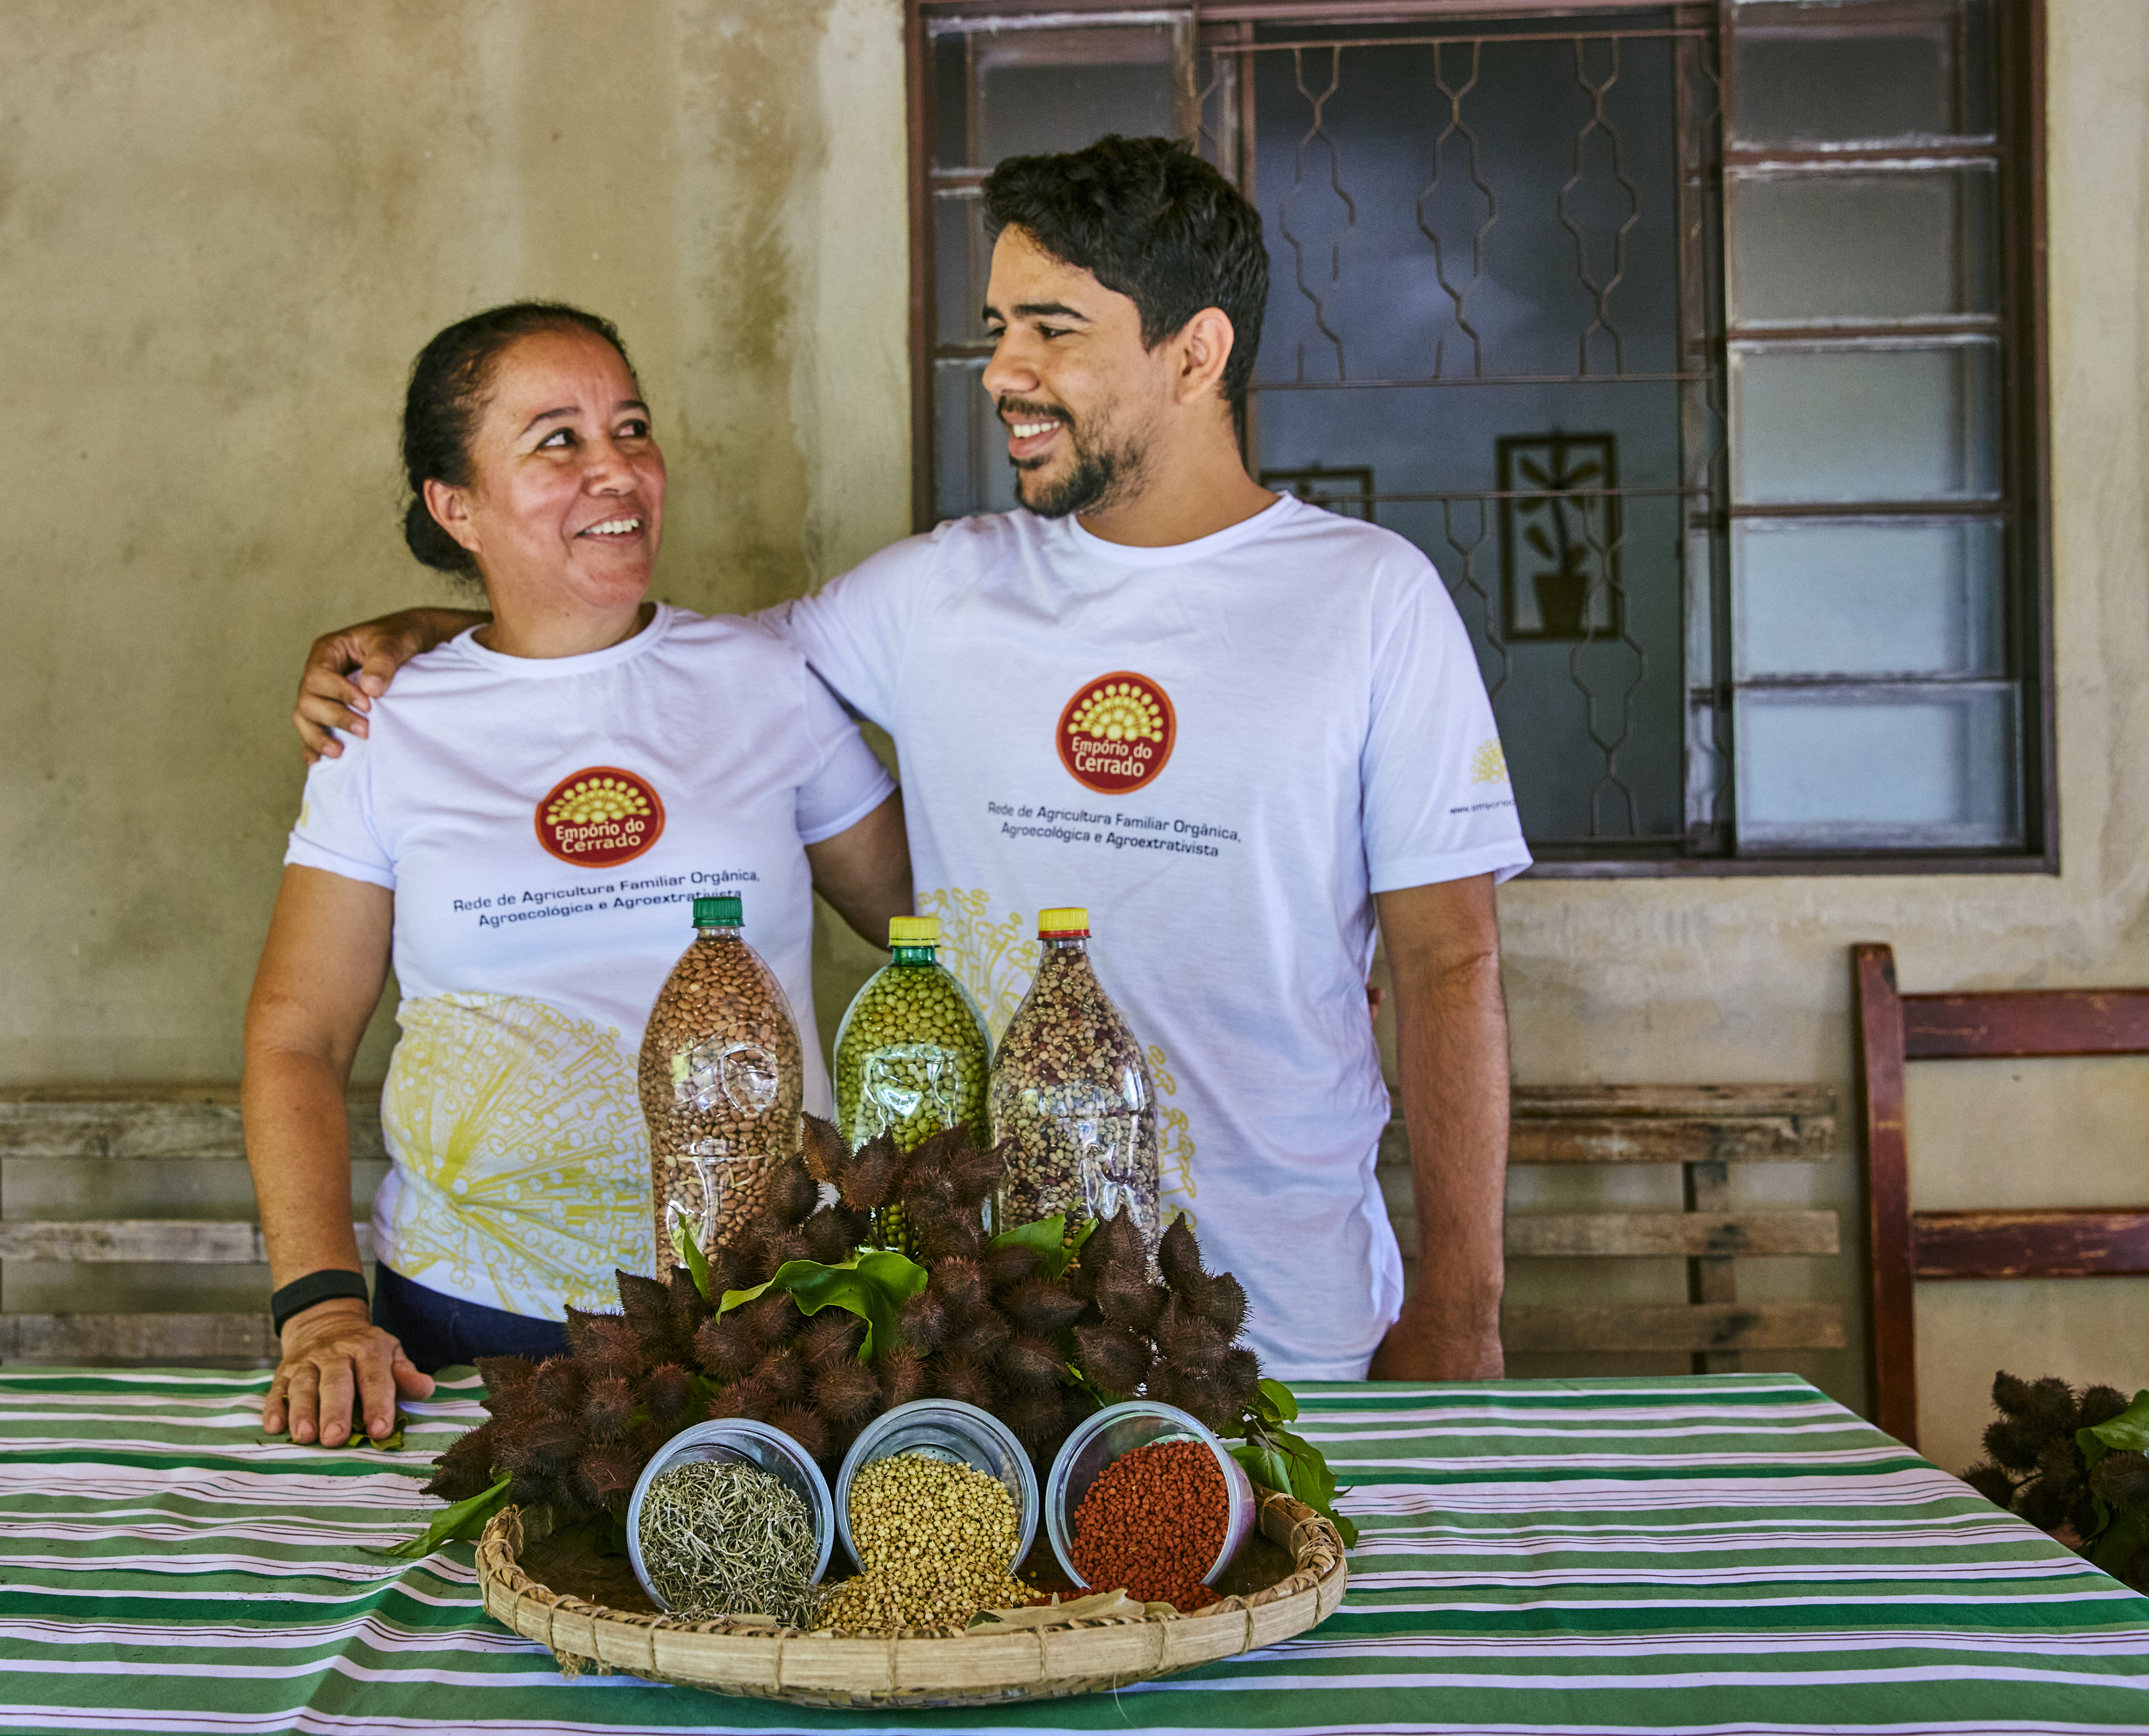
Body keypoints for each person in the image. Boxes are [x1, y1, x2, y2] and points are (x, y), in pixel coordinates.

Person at [287, 139, 1524, 1384]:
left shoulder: (1368, 600)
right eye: (998, 328)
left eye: (1052, 331)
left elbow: (1449, 959)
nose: (1002, 373)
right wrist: (447, 636)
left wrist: (1460, 1309)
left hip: (1289, 1304)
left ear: (1194, 353)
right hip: (995, 1316)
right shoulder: (937, 589)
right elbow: (638, 663)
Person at [245, 301, 910, 1447]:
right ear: (455, 507)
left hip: (755, 1314)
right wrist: (320, 1308)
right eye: (557, 439)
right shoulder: (387, 721)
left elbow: (930, 932)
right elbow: (297, 1032)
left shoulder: (764, 682)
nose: (616, 469)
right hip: (470, 1327)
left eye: (632, 428)